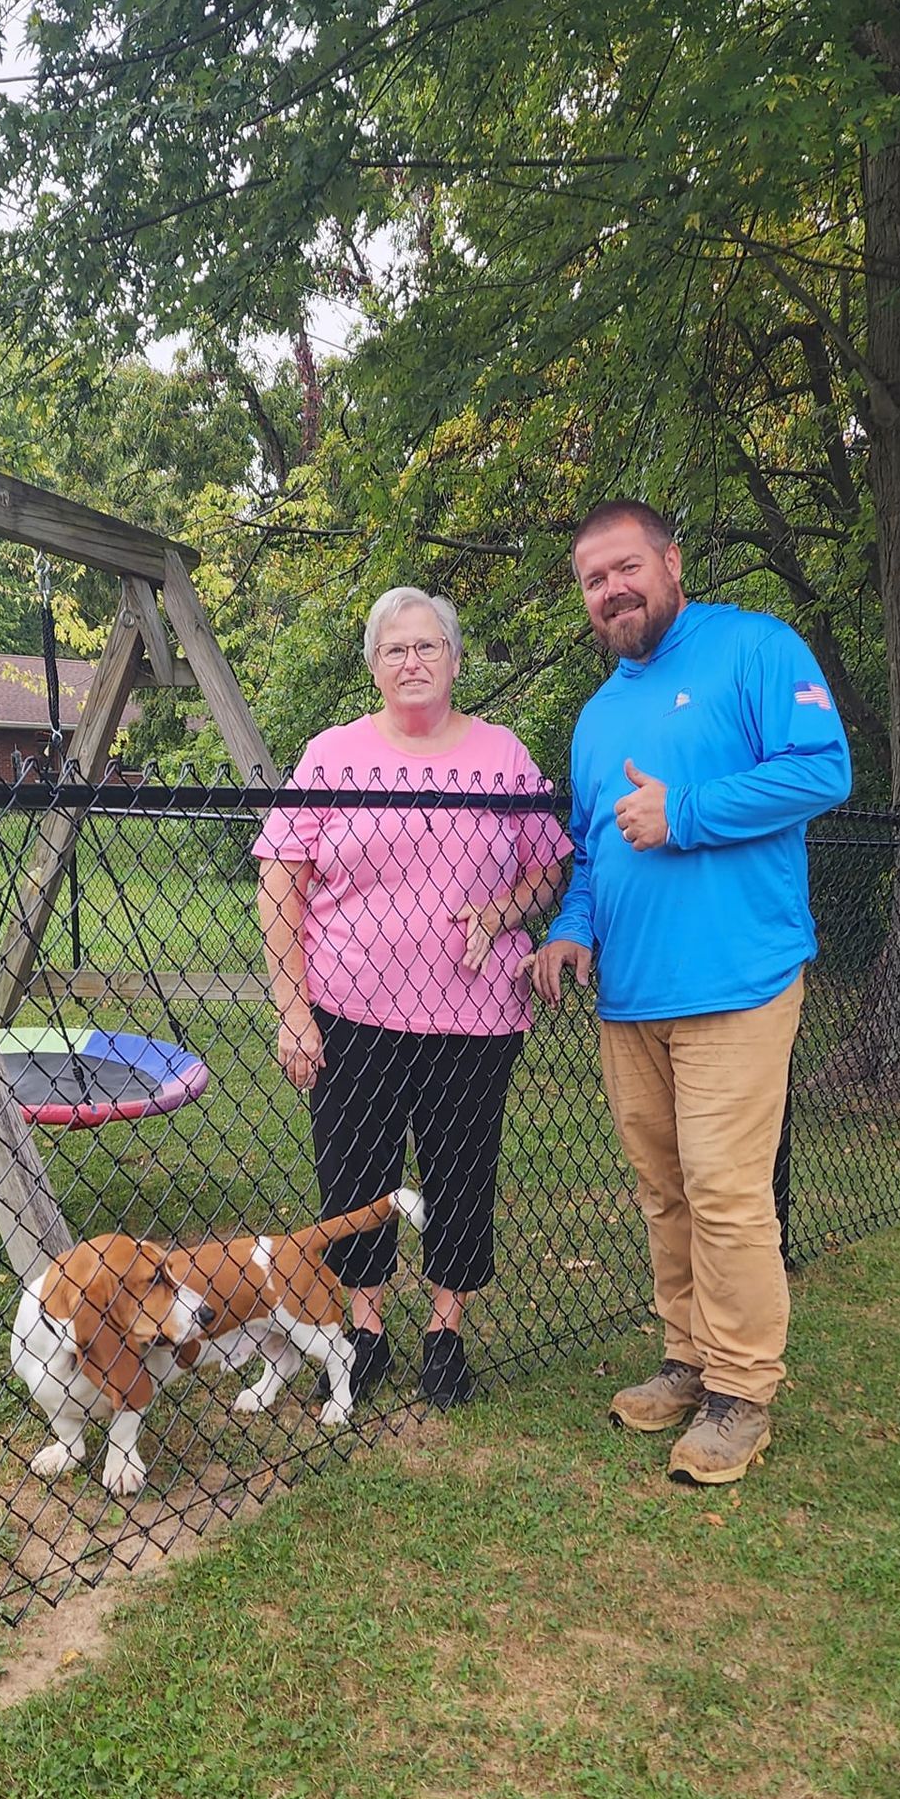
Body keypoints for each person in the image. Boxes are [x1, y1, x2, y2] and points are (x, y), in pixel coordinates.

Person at [524, 500, 851, 1485]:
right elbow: (590, 848)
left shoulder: (754, 647)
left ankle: (742, 1393)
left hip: (739, 982)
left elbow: (822, 770)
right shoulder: (597, 715)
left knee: (726, 1193)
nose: (612, 590)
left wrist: (690, 811)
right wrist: (574, 925)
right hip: (631, 994)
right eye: (593, 579)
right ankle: (688, 1358)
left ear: (672, 561)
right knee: (666, 1192)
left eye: (626, 567)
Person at [255, 586, 570, 1407]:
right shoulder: (332, 755)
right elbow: (279, 879)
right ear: (374, 667)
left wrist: (500, 910)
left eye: (428, 646)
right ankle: (365, 1328)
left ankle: (444, 1333)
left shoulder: (503, 756)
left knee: (463, 1170)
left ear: (457, 660)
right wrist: (293, 1009)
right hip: (350, 1010)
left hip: (476, 1016)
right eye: (395, 650)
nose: (413, 661)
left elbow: (548, 869)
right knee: (356, 1175)